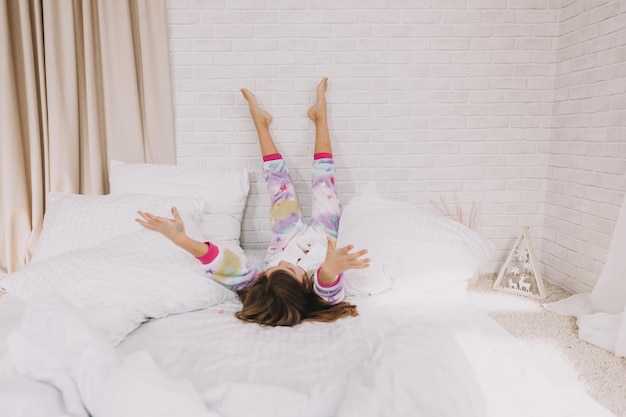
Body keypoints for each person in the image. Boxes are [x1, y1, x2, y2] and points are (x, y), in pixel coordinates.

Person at [136, 78, 370, 326]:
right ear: (303, 289)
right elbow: (327, 287)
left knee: (278, 185)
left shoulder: (259, 285)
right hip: (325, 239)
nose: (285, 264)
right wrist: (330, 269)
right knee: (324, 184)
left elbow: (220, 264)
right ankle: (320, 118)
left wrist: (182, 240)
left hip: (286, 239)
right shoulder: (320, 293)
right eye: (290, 270)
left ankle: (261, 123)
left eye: (272, 269)